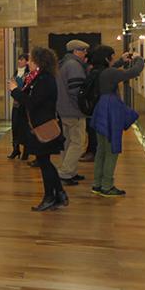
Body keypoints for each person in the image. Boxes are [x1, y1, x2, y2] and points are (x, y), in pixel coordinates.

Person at [9, 46, 68, 211]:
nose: (29, 63)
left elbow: (31, 102)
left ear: (39, 62)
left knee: (44, 163)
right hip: (38, 126)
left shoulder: (45, 80)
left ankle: (51, 197)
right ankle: (59, 194)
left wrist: (14, 91)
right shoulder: (38, 78)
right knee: (45, 162)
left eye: (32, 60)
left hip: (43, 127)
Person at [89, 45, 144, 197]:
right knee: (111, 150)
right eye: (112, 56)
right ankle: (107, 185)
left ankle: (97, 184)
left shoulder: (98, 71)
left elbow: (112, 69)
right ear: (107, 58)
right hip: (110, 110)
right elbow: (133, 72)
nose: (114, 59)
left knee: (101, 151)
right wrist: (139, 59)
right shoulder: (110, 73)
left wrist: (121, 60)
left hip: (101, 109)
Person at [55, 39, 89, 186]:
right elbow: (77, 91)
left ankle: (68, 170)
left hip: (63, 110)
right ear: (75, 51)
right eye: (83, 50)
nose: (85, 53)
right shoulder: (74, 65)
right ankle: (65, 173)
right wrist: (84, 107)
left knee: (68, 142)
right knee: (79, 143)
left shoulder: (63, 64)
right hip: (73, 111)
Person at [8, 53, 30, 160]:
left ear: (27, 61)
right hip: (16, 104)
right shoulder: (16, 73)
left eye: (22, 60)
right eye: (19, 59)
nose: (19, 61)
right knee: (15, 126)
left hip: (24, 104)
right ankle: (15, 149)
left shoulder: (28, 74)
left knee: (25, 127)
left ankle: (26, 151)